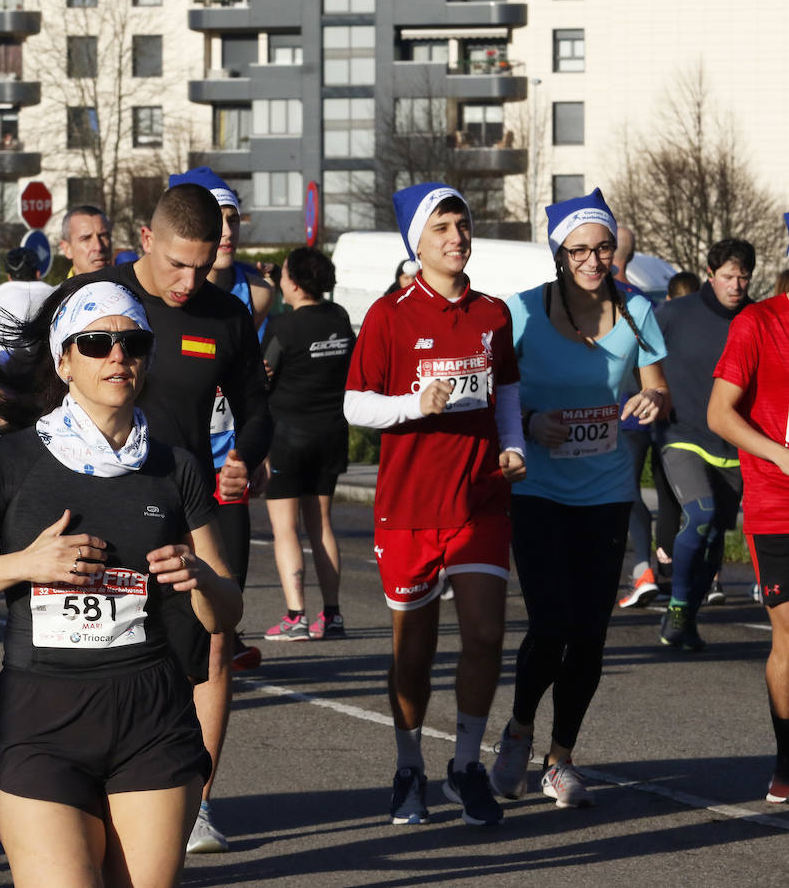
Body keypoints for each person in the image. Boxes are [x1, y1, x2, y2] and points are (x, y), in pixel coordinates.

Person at [0, 277, 242, 888]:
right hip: (43, 717)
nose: (118, 356)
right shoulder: (12, 461)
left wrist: (199, 578)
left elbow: (226, 612)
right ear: (64, 360)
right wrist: (24, 565)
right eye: (95, 343)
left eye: (133, 342)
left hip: (153, 717)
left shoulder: (177, 468)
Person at [58, 183, 272, 854]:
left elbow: (259, 409)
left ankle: (196, 802)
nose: (188, 281)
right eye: (177, 264)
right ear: (145, 240)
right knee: (113, 651)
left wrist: (248, 454)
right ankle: (91, 796)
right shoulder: (98, 300)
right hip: (102, 503)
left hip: (195, 507)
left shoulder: (226, 318)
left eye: (202, 267)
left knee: (210, 647)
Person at [344, 182, 525, 827]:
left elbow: (505, 390)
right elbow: (355, 403)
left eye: (463, 226)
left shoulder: (492, 313)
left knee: (484, 636)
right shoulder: (388, 315)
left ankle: (465, 765)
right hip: (410, 507)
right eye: (442, 228)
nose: (457, 238)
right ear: (416, 243)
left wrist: (513, 445)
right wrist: (410, 406)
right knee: (412, 653)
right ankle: (409, 766)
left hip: (480, 499)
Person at [488, 189, 669, 811]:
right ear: (559, 254)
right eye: (580, 250)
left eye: (603, 248)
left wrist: (651, 402)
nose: (593, 260)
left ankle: (560, 759)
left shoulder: (637, 310)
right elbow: (488, 392)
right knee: (550, 621)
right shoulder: (522, 313)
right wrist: (530, 420)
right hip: (538, 488)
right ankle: (516, 730)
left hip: (607, 490)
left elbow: (657, 388)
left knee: (590, 631)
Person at [167, 167, 273, 679]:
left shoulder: (255, 296)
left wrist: (255, 454)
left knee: (221, 605)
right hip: (173, 463)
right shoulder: (149, 293)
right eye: (216, 220)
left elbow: (251, 393)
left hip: (226, 459)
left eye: (232, 220)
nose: (226, 231)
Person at [706, 265, 789, 801]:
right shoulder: (759, 323)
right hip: (779, 505)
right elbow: (719, 414)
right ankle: (787, 757)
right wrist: (783, 457)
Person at [652, 238, 753, 649]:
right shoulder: (675, 314)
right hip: (682, 435)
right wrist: (646, 402)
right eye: (728, 276)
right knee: (701, 514)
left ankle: (686, 618)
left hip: (734, 443)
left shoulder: (756, 317)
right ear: (710, 274)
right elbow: (642, 360)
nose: (736, 285)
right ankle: (676, 604)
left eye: (744, 277)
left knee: (715, 538)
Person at [259, 247, 354, 641]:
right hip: (332, 432)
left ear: (293, 284)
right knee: (322, 526)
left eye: (282, 274)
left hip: (287, 437)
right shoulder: (340, 317)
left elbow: (263, 375)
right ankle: (331, 615)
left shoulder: (282, 326)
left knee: (286, 530)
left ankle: (296, 615)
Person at [618, 269, 700, 608]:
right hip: (650, 417)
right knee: (643, 495)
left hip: (627, 414)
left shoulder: (630, 301)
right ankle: (650, 571)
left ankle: (643, 572)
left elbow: (658, 366)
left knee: (625, 493)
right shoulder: (642, 297)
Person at [0, 247, 55, 360]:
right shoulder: (51, 291)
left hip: (4, 355)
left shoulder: (2, 290)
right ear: (38, 273)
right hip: (40, 356)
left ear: (9, 277)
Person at [58, 205, 113, 277]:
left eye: (103, 236)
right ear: (67, 249)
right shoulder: (61, 288)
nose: (98, 247)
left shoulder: (131, 287)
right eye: (86, 239)